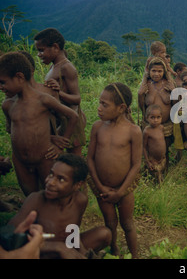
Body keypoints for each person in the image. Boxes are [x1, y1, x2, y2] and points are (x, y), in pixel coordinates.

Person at [0, 52, 79, 196]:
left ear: (19, 77)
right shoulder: (8, 105)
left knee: (52, 196)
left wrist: (60, 144)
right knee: (31, 198)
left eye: (3, 82)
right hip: (20, 161)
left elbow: (72, 116)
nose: (1, 87)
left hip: (45, 158)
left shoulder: (43, 99)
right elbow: (14, 131)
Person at [7, 153, 111, 259]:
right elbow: (10, 236)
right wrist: (58, 247)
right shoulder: (36, 200)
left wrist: (81, 251)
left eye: (61, 179)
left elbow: (73, 231)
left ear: (77, 185)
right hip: (39, 251)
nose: (50, 182)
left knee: (105, 234)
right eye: (51, 174)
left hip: (65, 248)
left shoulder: (80, 201)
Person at [87, 83, 142, 258]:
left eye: (105, 104)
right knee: (110, 222)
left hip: (124, 189)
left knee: (127, 224)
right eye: (100, 103)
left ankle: (134, 254)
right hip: (101, 188)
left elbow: (136, 165)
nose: (99, 108)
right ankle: (114, 251)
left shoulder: (133, 131)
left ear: (121, 108)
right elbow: (90, 159)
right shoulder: (97, 127)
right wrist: (100, 187)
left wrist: (120, 191)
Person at [34, 28, 87, 157]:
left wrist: (58, 92)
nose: (39, 54)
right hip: (61, 119)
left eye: (41, 50)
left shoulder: (66, 68)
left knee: (74, 159)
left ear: (55, 47)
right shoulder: (54, 66)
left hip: (71, 120)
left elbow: (77, 99)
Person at [138, 57, 176, 150]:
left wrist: (174, 92)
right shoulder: (146, 85)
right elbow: (142, 106)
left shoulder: (169, 84)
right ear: (149, 71)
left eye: (159, 71)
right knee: (151, 150)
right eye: (153, 71)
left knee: (165, 150)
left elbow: (175, 105)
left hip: (167, 126)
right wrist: (140, 95)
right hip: (150, 126)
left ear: (164, 72)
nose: (156, 74)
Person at [143, 104, 166, 184]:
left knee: (161, 173)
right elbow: (144, 147)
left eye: (158, 117)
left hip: (162, 158)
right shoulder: (147, 131)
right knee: (155, 177)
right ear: (147, 118)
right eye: (152, 117)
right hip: (153, 160)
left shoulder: (161, 128)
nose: (155, 120)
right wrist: (148, 161)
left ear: (161, 117)